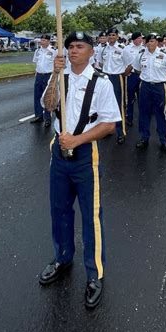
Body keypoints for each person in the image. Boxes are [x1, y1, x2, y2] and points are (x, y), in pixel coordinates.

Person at [39, 31, 121, 309]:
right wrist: (54, 74)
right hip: (59, 154)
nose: (73, 51)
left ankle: (94, 273)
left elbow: (109, 125)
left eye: (80, 46)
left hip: (86, 154)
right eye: (70, 46)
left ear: (91, 52)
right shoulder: (60, 78)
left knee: (91, 216)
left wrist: (78, 139)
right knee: (59, 211)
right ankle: (62, 257)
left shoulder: (101, 83)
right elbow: (49, 106)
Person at [133, 34, 166, 153]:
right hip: (145, 86)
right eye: (148, 41)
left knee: (161, 114)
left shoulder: (164, 55)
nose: (150, 43)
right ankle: (144, 138)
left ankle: (164, 141)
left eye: (152, 41)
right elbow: (137, 69)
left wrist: (163, 77)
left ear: (156, 43)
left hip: (159, 87)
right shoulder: (141, 54)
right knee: (144, 113)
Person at [96, 28, 128, 144]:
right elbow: (99, 62)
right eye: (110, 35)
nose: (111, 37)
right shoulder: (103, 48)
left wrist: (122, 75)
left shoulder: (123, 49)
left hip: (117, 78)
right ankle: (107, 130)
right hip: (105, 77)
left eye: (113, 35)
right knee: (104, 105)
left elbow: (129, 64)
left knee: (118, 105)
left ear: (117, 36)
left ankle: (121, 132)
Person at [31, 34, 57, 127]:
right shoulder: (38, 51)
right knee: (37, 96)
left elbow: (57, 63)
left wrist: (54, 77)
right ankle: (38, 116)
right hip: (39, 75)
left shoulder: (53, 51)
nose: (42, 42)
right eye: (41, 40)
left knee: (47, 97)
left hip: (48, 76)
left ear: (49, 41)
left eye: (44, 40)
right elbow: (36, 63)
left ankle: (47, 118)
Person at [122, 31, 143, 126]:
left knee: (141, 98)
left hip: (141, 76)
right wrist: (126, 72)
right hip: (131, 75)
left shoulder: (144, 49)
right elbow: (123, 62)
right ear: (134, 39)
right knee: (129, 97)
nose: (140, 40)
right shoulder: (126, 49)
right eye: (139, 38)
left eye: (141, 38)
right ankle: (129, 117)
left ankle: (142, 118)